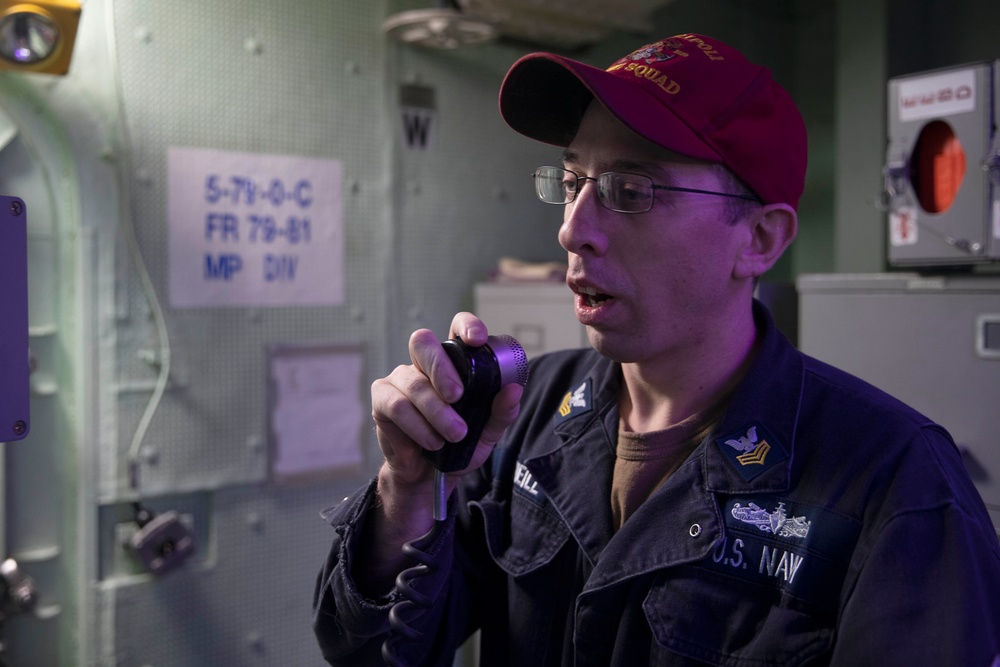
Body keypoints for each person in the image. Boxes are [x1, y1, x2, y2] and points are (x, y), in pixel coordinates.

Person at [313, 33, 1000, 666]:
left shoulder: (898, 486)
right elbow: (370, 650)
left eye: (629, 190)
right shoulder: (524, 417)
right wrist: (408, 490)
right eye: (574, 182)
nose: (573, 230)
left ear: (758, 238)